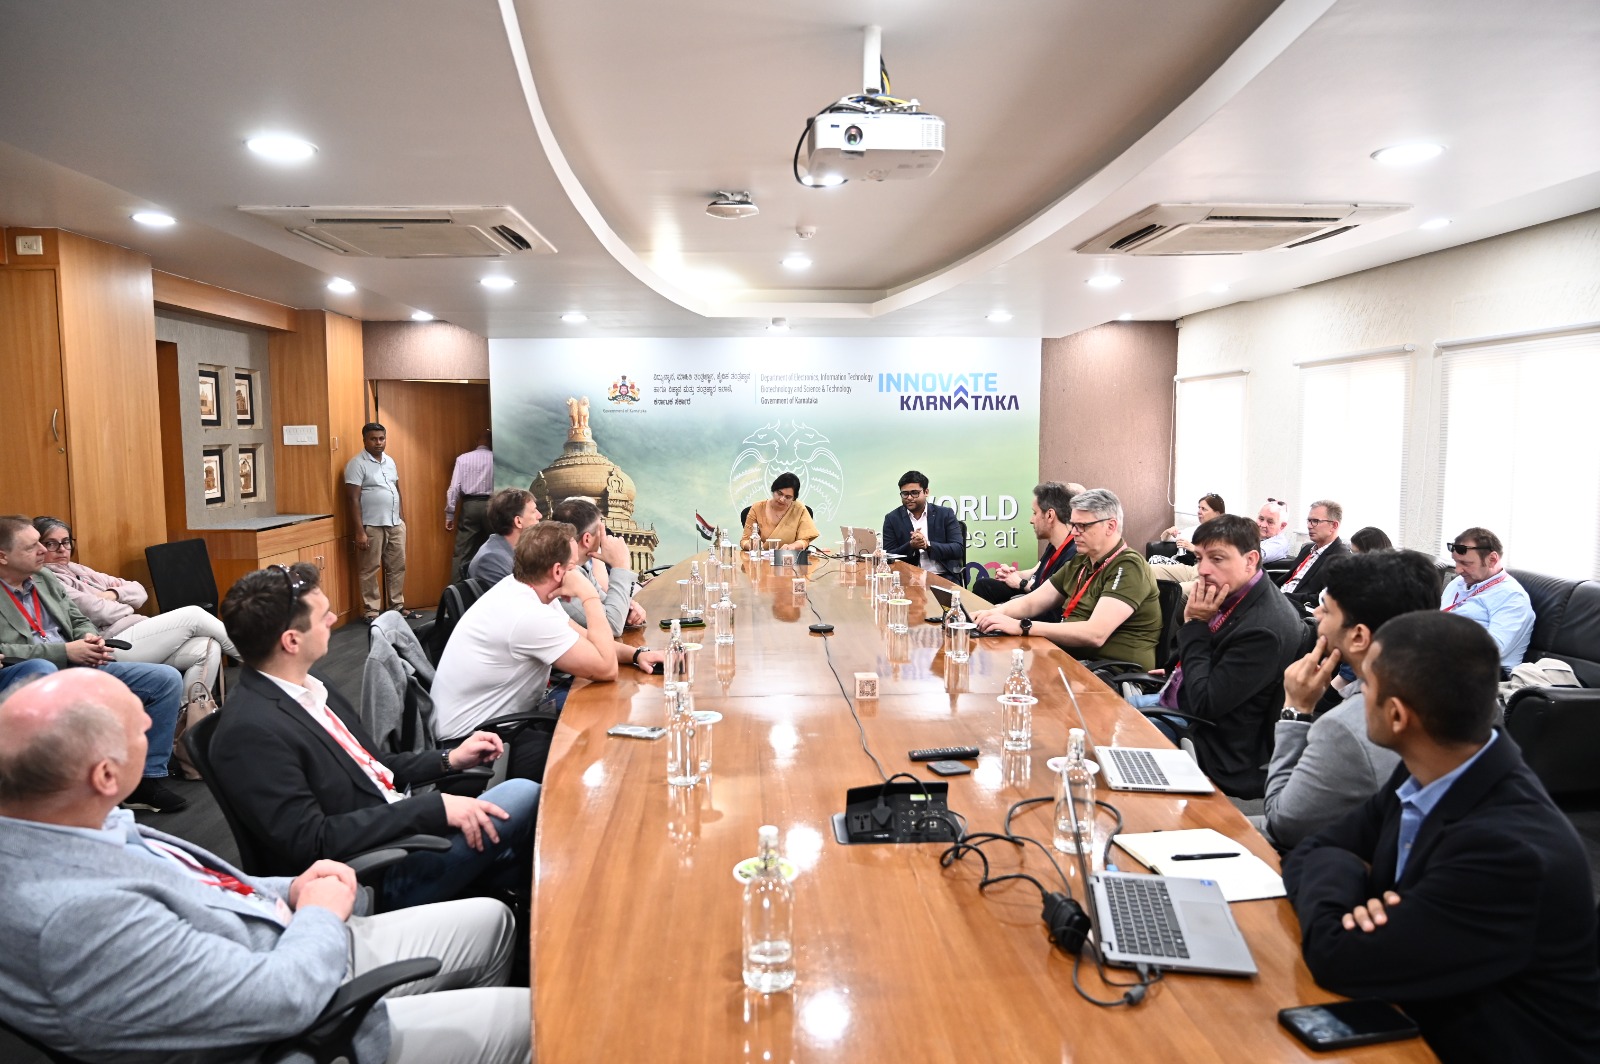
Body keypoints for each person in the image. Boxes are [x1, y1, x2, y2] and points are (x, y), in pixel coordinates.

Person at [0, 668, 531, 1064]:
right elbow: (282, 1001)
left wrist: (288, 887)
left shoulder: (69, 816)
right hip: (298, 1023)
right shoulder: (74, 916)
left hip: (288, 939)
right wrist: (318, 914)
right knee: (535, 1020)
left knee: (493, 919)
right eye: (140, 729)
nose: (151, 725)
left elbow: (198, 884)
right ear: (106, 776)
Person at [1283, 611, 1600, 1062]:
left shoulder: (1509, 852)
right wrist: (1352, 879)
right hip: (1415, 1013)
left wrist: (1348, 881)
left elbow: (1340, 957)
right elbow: (1315, 848)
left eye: (1366, 684)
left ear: (1397, 715)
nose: (1358, 693)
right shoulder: (1426, 770)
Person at [211, 562, 539, 910]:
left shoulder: (311, 685)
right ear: (292, 641)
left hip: (400, 829)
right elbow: (313, 841)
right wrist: (431, 810)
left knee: (527, 837)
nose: (333, 619)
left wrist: (449, 759)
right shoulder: (249, 732)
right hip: (374, 871)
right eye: (322, 615)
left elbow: (374, 766)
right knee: (524, 794)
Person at [431, 523, 664, 781]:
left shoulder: (525, 589)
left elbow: (587, 639)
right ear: (557, 571)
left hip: (499, 726)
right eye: (573, 567)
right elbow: (606, 668)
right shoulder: (528, 615)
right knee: (596, 747)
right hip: (473, 747)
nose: (578, 573)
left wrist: (636, 655)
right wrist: (589, 596)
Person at [0, 515, 186, 813]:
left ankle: (144, 780)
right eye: (32, 546)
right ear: (3, 556)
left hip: (76, 665)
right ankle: (57, 789)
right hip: (26, 675)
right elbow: (4, 650)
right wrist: (64, 651)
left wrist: (88, 637)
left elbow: (78, 618)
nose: (43, 550)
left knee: (165, 679)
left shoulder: (44, 578)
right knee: (44, 671)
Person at [1260, 550, 1440, 849]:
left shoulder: (1346, 727)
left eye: (1327, 610)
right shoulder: (1442, 692)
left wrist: (1295, 710)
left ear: (1358, 637)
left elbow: (1282, 824)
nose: (1317, 615)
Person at [1125, 515, 1307, 798]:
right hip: (1185, 697)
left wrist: (1195, 624)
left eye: (1217, 559)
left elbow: (1204, 704)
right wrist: (1178, 669)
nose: (1203, 570)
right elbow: (1216, 650)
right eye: (1199, 558)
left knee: (1111, 731)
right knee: (1102, 709)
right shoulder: (1238, 593)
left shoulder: (1264, 628)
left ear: (1250, 560)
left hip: (1210, 736)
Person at [33, 516, 239, 698]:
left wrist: (113, 594)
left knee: (207, 647)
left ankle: (187, 718)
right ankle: (255, 659)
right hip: (112, 644)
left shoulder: (77, 568)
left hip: (139, 634)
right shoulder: (47, 578)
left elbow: (139, 591)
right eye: (51, 543)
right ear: (39, 547)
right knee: (193, 614)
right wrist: (126, 605)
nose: (62, 549)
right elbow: (97, 611)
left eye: (66, 542)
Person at [972, 488, 1161, 670]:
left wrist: (1023, 626)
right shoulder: (1081, 561)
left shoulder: (1129, 566)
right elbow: (1033, 602)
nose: (1074, 532)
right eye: (1073, 525)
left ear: (1110, 526)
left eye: (1082, 526)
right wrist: (989, 614)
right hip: (1073, 660)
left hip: (1111, 671)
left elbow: (1096, 634)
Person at [971, 481, 1078, 612]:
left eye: (1035, 513)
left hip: (1047, 612)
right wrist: (1012, 575)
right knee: (984, 586)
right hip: (1035, 597)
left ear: (1050, 515)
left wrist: (1003, 609)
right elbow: (1036, 573)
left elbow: (1048, 601)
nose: (1031, 520)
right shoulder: (1053, 545)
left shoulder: (1074, 554)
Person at [1441, 526, 1534, 672]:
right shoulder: (1457, 584)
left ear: (1492, 559)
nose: (1458, 570)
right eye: (1456, 562)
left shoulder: (1512, 598)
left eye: (1466, 563)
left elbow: (1490, 651)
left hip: (1484, 674)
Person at [549, 496, 646, 635]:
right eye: (601, 530)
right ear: (587, 539)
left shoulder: (583, 567)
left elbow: (606, 605)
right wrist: (621, 565)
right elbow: (611, 627)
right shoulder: (562, 577)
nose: (604, 536)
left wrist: (629, 609)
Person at [344, 422, 411, 620]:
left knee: (397, 566)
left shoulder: (390, 461)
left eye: (381, 438)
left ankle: (397, 606)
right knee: (370, 568)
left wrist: (402, 517)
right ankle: (372, 610)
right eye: (373, 439)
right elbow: (352, 499)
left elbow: (396, 489)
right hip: (372, 525)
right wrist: (359, 531)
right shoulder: (357, 464)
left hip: (395, 523)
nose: (378, 442)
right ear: (365, 440)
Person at [880, 470, 964, 579]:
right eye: (905, 494)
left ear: (926, 492)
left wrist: (927, 545)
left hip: (943, 576)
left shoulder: (945, 514)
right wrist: (911, 545)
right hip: (908, 578)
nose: (909, 497)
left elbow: (958, 549)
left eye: (914, 493)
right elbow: (888, 555)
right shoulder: (892, 519)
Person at [1281, 499, 1349, 611]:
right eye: (1309, 521)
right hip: (1279, 599)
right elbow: (1289, 580)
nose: (1309, 526)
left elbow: (1323, 598)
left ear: (1334, 526)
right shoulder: (1307, 549)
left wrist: (1283, 597)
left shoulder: (1341, 558)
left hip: (1297, 609)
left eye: (1315, 521)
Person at [445, 429, 495, 582]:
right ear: (492, 443)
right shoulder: (496, 459)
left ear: (476, 442)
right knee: (494, 549)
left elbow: (454, 488)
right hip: (493, 506)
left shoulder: (463, 459)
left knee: (462, 552)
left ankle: (456, 591)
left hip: (470, 505)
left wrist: (450, 514)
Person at [467, 487, 541, 587]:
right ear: (518, 521)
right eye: (534, 511)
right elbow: (520, 596)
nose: (540, 515)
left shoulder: (517, 550)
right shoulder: (491, 560)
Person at [1152, 493, 1224, 586]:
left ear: (1217, 514)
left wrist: (1193, 548)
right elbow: (1166, 539)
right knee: (1153, 562)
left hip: (1203, 571)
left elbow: (1217, 558)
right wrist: (1168, 532)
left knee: (1156, 563)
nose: (1199, 512)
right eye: (1199, 508)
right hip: (1187, 568)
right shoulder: (1194, 530)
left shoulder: (1223, 534)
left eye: (1204, 509)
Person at [741, 472, 819, 551]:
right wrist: (751, 545)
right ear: (774, 489)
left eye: (788, 497)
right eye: (779, 493)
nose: (782, 499)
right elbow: (744, 541)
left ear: (794, 498)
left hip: (789, 557)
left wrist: (793, 546)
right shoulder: (757, 508)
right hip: (761, 556)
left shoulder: (799, 509)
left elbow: (804, 540)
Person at [1256, 497, 1294, 562]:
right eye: (1261, 519)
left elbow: (1253, 557)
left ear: (1282, 526)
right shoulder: (1255, 535)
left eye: (1270, 522)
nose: (1263, 525)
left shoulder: (1279, 544)